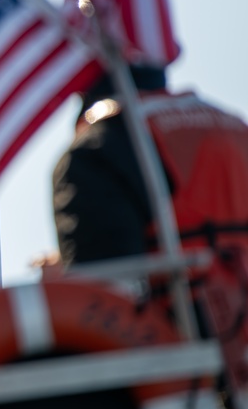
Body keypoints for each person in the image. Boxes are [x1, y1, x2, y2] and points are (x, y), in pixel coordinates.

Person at [52, 65, 248, 268]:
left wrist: (56, 288)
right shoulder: (238, 128)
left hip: (187, 295)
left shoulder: (100, 145)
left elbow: (106, 288)